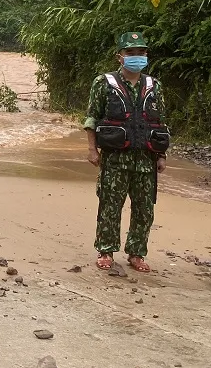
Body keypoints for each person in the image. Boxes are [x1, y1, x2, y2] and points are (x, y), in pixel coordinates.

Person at [84, 32, 171, 273]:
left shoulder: (154, 86)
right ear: (119, 57)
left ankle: (136, 253)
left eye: (141, 52)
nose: (136, 57)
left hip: (146, 159)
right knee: (110, 205)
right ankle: (106, 250)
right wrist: (92, 150)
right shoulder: (103, 83)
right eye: (130, 53)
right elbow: (92, 117)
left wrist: (162, 155)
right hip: (115, 158)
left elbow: (160, 123)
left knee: (144, 208)